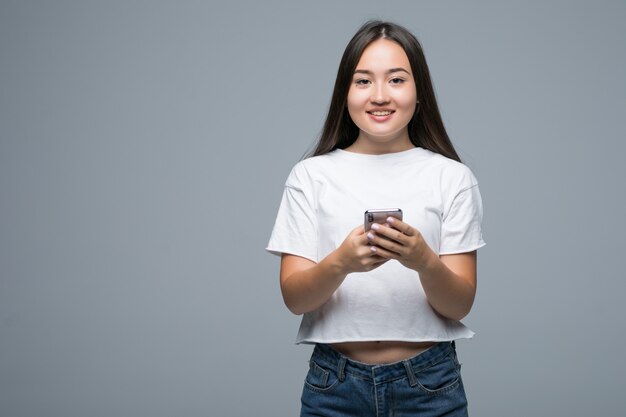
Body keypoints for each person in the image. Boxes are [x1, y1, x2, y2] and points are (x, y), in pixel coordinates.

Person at [266, 20, 485, 417]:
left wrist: (423, 261)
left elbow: (459, 305)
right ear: (344, 94)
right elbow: (295, 298)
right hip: (334, 385)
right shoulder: (310, 176)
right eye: (363, 81)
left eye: (397, 79)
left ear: (419, 93)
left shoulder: (452, 177)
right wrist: (342, 263)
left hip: (429, 384)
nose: (380, 95)